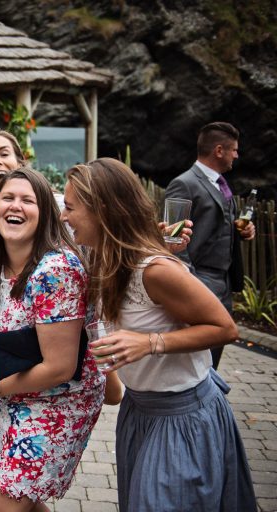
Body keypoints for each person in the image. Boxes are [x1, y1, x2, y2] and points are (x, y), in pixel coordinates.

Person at [62, 158, 257, 512]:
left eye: (71, 208)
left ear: (101, 210)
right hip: (139, 413)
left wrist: (150, 343)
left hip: (183, 419)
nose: (64, 216)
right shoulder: (103, 259)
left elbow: (225, 328)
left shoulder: (156, 271)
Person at [0, 169, 104, 511]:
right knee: (22, 503)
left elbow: (61, 367)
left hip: (59, 400)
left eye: (27, 200)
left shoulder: (55, 270)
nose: (15, 206)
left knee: (2, 504)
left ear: (45, 212)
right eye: (7, 198)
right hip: (17, 394)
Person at [165, 122, 255, 369]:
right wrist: (190, 282)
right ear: (218, 150)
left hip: (223, 281)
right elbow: (173, 238)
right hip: (200, 279)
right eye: (234, 150)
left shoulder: (221, 184)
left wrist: (241, 231)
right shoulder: (183, 183)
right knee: (199, 361)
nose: (236, 155)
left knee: (214, 358)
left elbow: (219, 225)